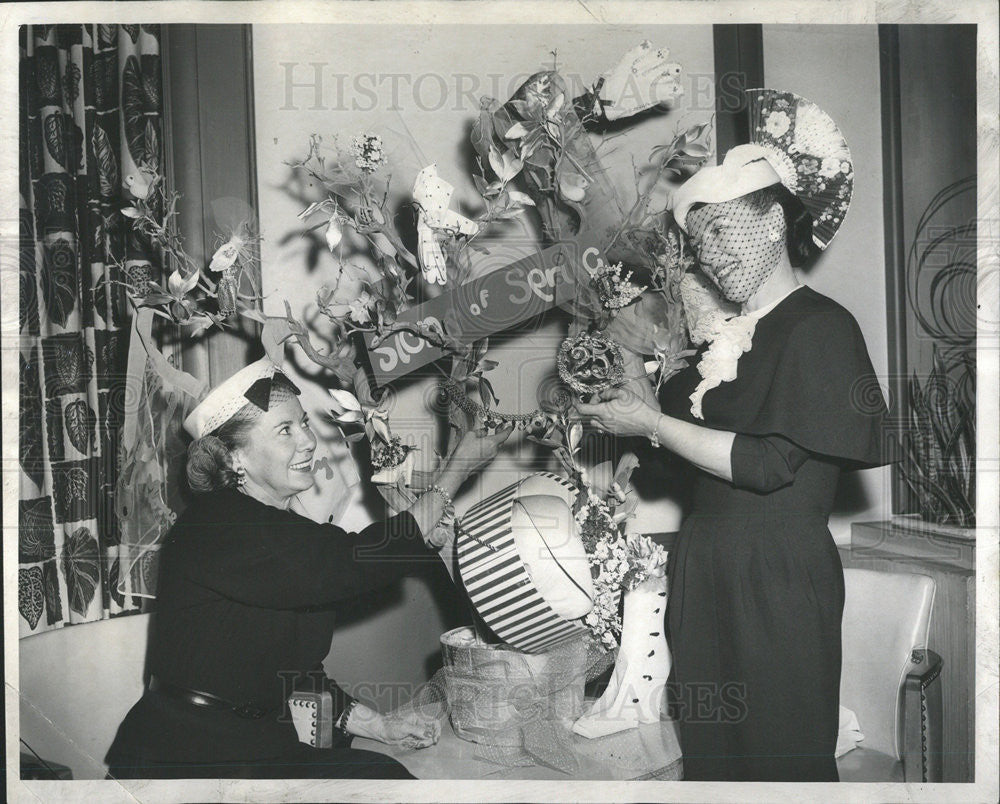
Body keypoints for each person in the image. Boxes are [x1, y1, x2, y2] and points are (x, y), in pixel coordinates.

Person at [575, 90, 891, 781]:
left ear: (773, 223)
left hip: (777, 578)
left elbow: (769, 465)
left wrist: (652, 423)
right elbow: (687, 468)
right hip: (705, 571)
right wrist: (639, 413)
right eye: (697, 243)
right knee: (715, 768)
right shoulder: (726, 340)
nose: (708, 257)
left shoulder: (821, 328)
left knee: (781, 769)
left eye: (720, 233)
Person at [105, 357, 511, 779]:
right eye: (285, 430)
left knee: (386, 776)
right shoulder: (221, 523)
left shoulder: (274, 527)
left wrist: (381, 726)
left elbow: (294, 670)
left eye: (303, 423)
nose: (308, 441)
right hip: (185, 760)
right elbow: (356, 561)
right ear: (233, 458)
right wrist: (458, 470)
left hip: (252, 749)